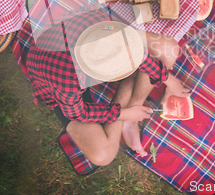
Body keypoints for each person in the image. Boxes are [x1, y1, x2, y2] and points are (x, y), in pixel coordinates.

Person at [25, 10, 189, 166]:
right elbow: (78, 113)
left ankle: (131, 101)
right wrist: (124, 113)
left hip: (75, 44)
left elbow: (131, 49)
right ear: (97, 76)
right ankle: (128, 96)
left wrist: (167, 78)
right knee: (103, 155)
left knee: (168, 49)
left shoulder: (101, 24)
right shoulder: (68, 83)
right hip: (53, 82)